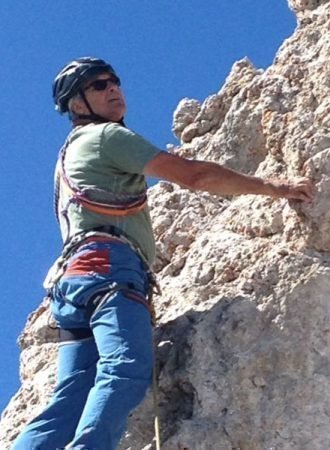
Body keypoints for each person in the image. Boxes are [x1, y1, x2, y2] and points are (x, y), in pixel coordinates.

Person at [12, 57, 313, 450]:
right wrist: (275, 187)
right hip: (109, 269)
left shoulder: (67, 156)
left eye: (114, 81)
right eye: (99, 85)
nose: (113, 88)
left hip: (72, 284)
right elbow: (194, 175)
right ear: (78, 104)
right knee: (126, 369)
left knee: (68, 399)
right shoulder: (106, 137)